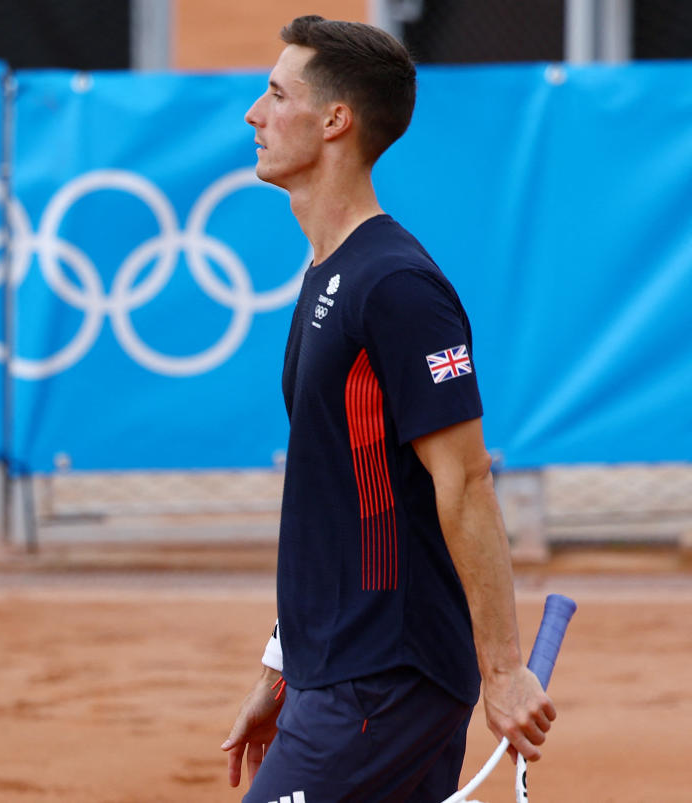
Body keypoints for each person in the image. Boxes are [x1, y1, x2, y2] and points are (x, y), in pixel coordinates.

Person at [219, 16, 555, 802]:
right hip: (339, 672)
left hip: (383, 680)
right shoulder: (329, 274)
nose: (253, 114)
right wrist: (283, 663)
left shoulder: (396, 286)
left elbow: (466, 481)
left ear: (335, 120)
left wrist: (503, 671)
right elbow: (334, 500)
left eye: (275, 94)